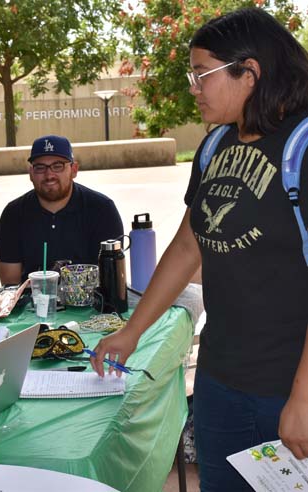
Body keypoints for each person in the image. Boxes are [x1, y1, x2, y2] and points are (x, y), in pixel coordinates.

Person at [91, 8, 308, 491]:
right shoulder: (215, 148)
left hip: (290, 385)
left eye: (201, 74)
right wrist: (132, 331)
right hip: (220, 381)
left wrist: (304, 398)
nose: (193, 87)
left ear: (248, 73)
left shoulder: (302, 146)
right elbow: (189, 245)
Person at [0, 134, 124, 285]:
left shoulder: (102, 209)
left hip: (91, 306)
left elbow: (111, 278)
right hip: (32, 305)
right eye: (40, 167)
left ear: (74, 170)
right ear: (31, 173)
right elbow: (10, 282)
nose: (49, 175)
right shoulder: (13, 213)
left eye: (58, 166)